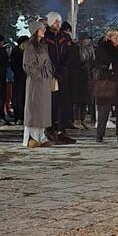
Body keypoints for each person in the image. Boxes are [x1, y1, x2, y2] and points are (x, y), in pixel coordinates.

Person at [21, 19, 54, 148]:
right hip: (36, 81)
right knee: (34, 107)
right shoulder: (30, 46)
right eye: (41, 28)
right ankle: (31, 137)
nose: (44, 31)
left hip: (45, 80)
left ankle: (41, 135)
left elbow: (48, 62)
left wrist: (49, 73)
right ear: (35, 31)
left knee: (43, 109)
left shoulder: (43, 45)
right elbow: (28, 65)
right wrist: (39, 75)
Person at [44, 13, 75, 143]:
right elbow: (45, 55)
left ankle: (62, 130)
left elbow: (71, 54)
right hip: (49, 75)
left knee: (64, 103)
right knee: (51, 103)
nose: (58, 24)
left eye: (60, 21)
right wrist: (53, 68)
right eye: (56, 21)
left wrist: (63, 67)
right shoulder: (45, 37)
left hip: (63, 75)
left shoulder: (65, 37)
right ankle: (51, 129)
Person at [94, 28, 118, 143]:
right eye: (114, 36)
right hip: (107, 81)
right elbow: (99, 62)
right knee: (104, 109)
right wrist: (111, 66)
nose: (116, 38)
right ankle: (99, 134)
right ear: (109, 37)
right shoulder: (103, 47)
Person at [10, 35, 27, 124]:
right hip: (18, 78)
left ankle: (25, 116)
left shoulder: (29, 52)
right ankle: (18, 117)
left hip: (27, 78)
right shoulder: (15, 52)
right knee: (18, 98)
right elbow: (13, 65)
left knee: (25, 98)